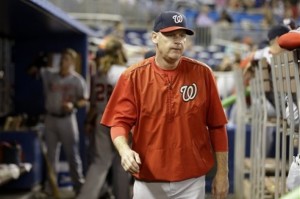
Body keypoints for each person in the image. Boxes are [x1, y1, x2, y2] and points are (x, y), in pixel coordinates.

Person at [101, 11, 229, 199]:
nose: (178, 41)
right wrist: (124, 150)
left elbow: (217, 126)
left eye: (182, 36)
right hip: (148, 181)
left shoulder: (202, 74)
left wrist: (223, 174)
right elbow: (119, 122)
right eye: (170, 35)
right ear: (155, 37)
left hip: (191, 181)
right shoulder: (133, 76)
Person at [77, 36, 131, 199]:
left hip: (102, 118)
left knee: (100, 162)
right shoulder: (123, 72)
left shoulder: (100, 73)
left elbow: (93, 102)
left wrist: (88, 121)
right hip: (120, 121)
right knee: (122, 163)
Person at [41, 48, 88, 194]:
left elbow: (84, 100)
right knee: (51, 156)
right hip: (50, 118)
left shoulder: (77, 79)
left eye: (67, 59)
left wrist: (73, 105)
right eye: (62, 58)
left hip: (67, 119)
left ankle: (78, 187)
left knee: (72, 155)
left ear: (73, 62)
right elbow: (35, 70)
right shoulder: (51, 75)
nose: (63, 61)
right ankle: (51, 189)